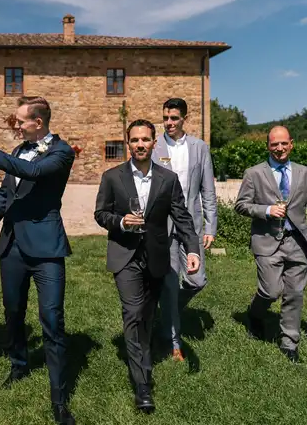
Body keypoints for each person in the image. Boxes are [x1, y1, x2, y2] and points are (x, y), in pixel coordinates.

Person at [0, 96, 76, 425]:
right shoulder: (17, 152)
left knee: (52, 320)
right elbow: (4, 196)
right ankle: (19, 365)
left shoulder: (61, 152)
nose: (15, 125)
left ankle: (59, 397)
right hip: (12, 247)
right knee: (13, 313)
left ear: (38, 123)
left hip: (46, 249)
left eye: (19, 121)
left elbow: (35, 171)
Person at [94, 119, 200, 414]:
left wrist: (192, 250)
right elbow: (100, 214)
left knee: (147, 314)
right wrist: (121, 222)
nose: (140, 144)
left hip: (156, 255)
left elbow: (182, 217)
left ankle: (143, 352)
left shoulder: (167, 179)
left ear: (155, 143)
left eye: (145, 139)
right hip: (124, 255)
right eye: (135, 140)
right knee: (132, 312)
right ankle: (143, 384)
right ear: (128, 144)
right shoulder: (112, 177)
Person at [234, 125, 307, 363]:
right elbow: (240, 205)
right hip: (266, 241)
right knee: (271, 291)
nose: (279, 148)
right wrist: (266, 210)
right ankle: (255, 314)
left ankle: (289, 343)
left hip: (298, 243)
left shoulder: (306, 174)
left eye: (283, 143)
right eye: (274, 144)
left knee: (294, 294)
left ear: (291, 144)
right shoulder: (254, 173)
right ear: (268, 146)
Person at [151, 97, 217, 361]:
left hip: (190, 225)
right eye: (165, 118)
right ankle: (173, 342)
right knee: (169, 282)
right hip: (162, 226)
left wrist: (211, 226)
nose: (169, 123)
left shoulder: (199, 148)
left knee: (196, 280)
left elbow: (207, 190)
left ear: (184, 119)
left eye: (174, 118)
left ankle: (166, 312)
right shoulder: (154, 146)